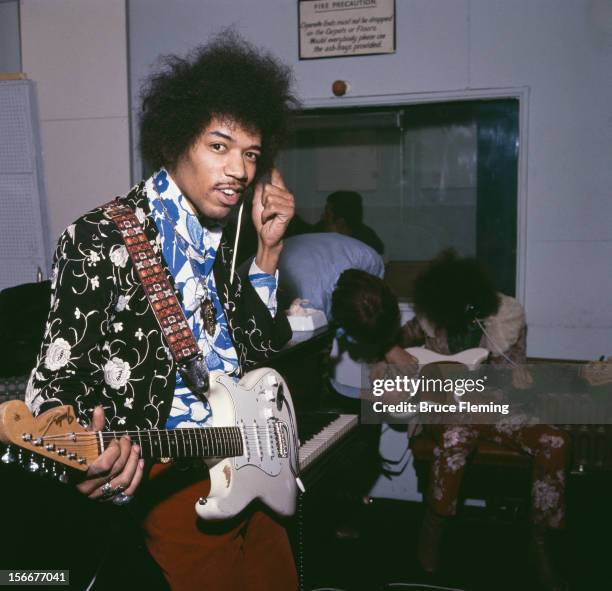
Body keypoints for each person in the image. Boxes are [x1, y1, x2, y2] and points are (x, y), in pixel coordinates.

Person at [25, 33, 299, 591]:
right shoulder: (101, 237)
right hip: (173, 483)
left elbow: (256, 355)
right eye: (219, 146)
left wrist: (267, 255)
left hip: (250, 468)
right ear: (176, 142)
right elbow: (50, 389)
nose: (240, 171)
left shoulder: (224, 235)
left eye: (250, 153)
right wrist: (87, 458)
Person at [331, 252, 569, 591]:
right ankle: (433, 533)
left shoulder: (506, 319)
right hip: (444, 409)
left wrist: (519, 384)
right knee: (456, 437)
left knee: (555, 441)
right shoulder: (429, 319)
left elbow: (514, 378)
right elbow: (385, 345)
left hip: (492, 407)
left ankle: (542, 546)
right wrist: (389, 373)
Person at [315, 190, 385, 255]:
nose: (322, 216)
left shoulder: (367, 241)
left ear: (340, 223)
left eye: (327, 214)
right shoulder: (320, 229)